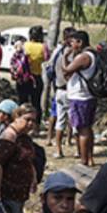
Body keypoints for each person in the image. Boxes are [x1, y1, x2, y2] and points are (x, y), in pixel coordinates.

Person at [0, 105, 40, 213]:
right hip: (9, 191)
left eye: (33, 121)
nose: (30, 124)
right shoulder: (9, 137)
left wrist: (33, 179)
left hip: (21, 192)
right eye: (27, 119)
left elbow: (28, 160)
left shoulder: (24, 137)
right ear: (16, 117)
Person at [64, 30, 97, 166]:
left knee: (82, 130)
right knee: (87, 129)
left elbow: (66, 71)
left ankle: (84, 160)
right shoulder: (92, 54)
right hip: (88, 96)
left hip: (80, 97)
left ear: (80, 42)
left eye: (73, 42)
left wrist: (65, 57)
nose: (71, 45)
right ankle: (89, 158)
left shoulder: (83, 57)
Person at [45, 27, 75, 158]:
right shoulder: (73, 53)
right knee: (73, 120)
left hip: (58, 89)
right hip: (71, 90)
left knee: (58, 119)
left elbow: (49, 65)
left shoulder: (57, 51)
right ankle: (69, 141)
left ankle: (57, 148)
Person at [21, 26, 47, 112]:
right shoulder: (43, 47)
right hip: (37, 77)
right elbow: (46, 58)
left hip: (24, 77)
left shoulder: (25, 45)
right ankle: (36, 122)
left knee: (23, 101)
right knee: (36, 103)